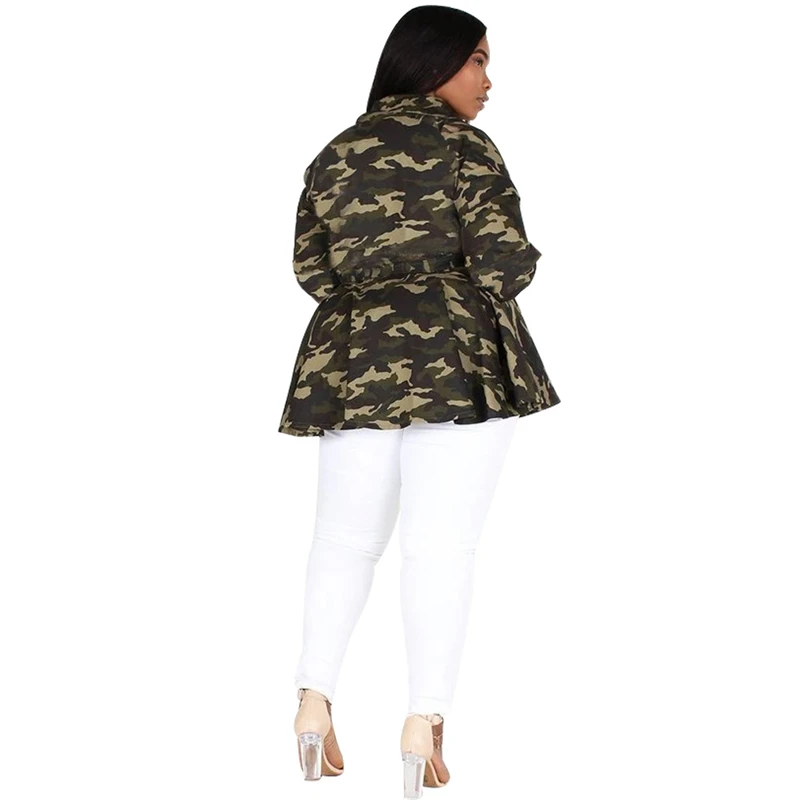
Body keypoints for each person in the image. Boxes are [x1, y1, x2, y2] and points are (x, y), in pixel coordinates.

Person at [280, 5, 561, 795]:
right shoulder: (467, 147)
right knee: (440, 548)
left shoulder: (337, 153)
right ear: (432, 61)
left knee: (343, 540)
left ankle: (312, 701)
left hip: (352, 359)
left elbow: (312, 270)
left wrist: (375, 293)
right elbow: (503, 266)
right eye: (477, 60)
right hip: (457, 359)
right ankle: (423, 722)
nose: (488, 80)